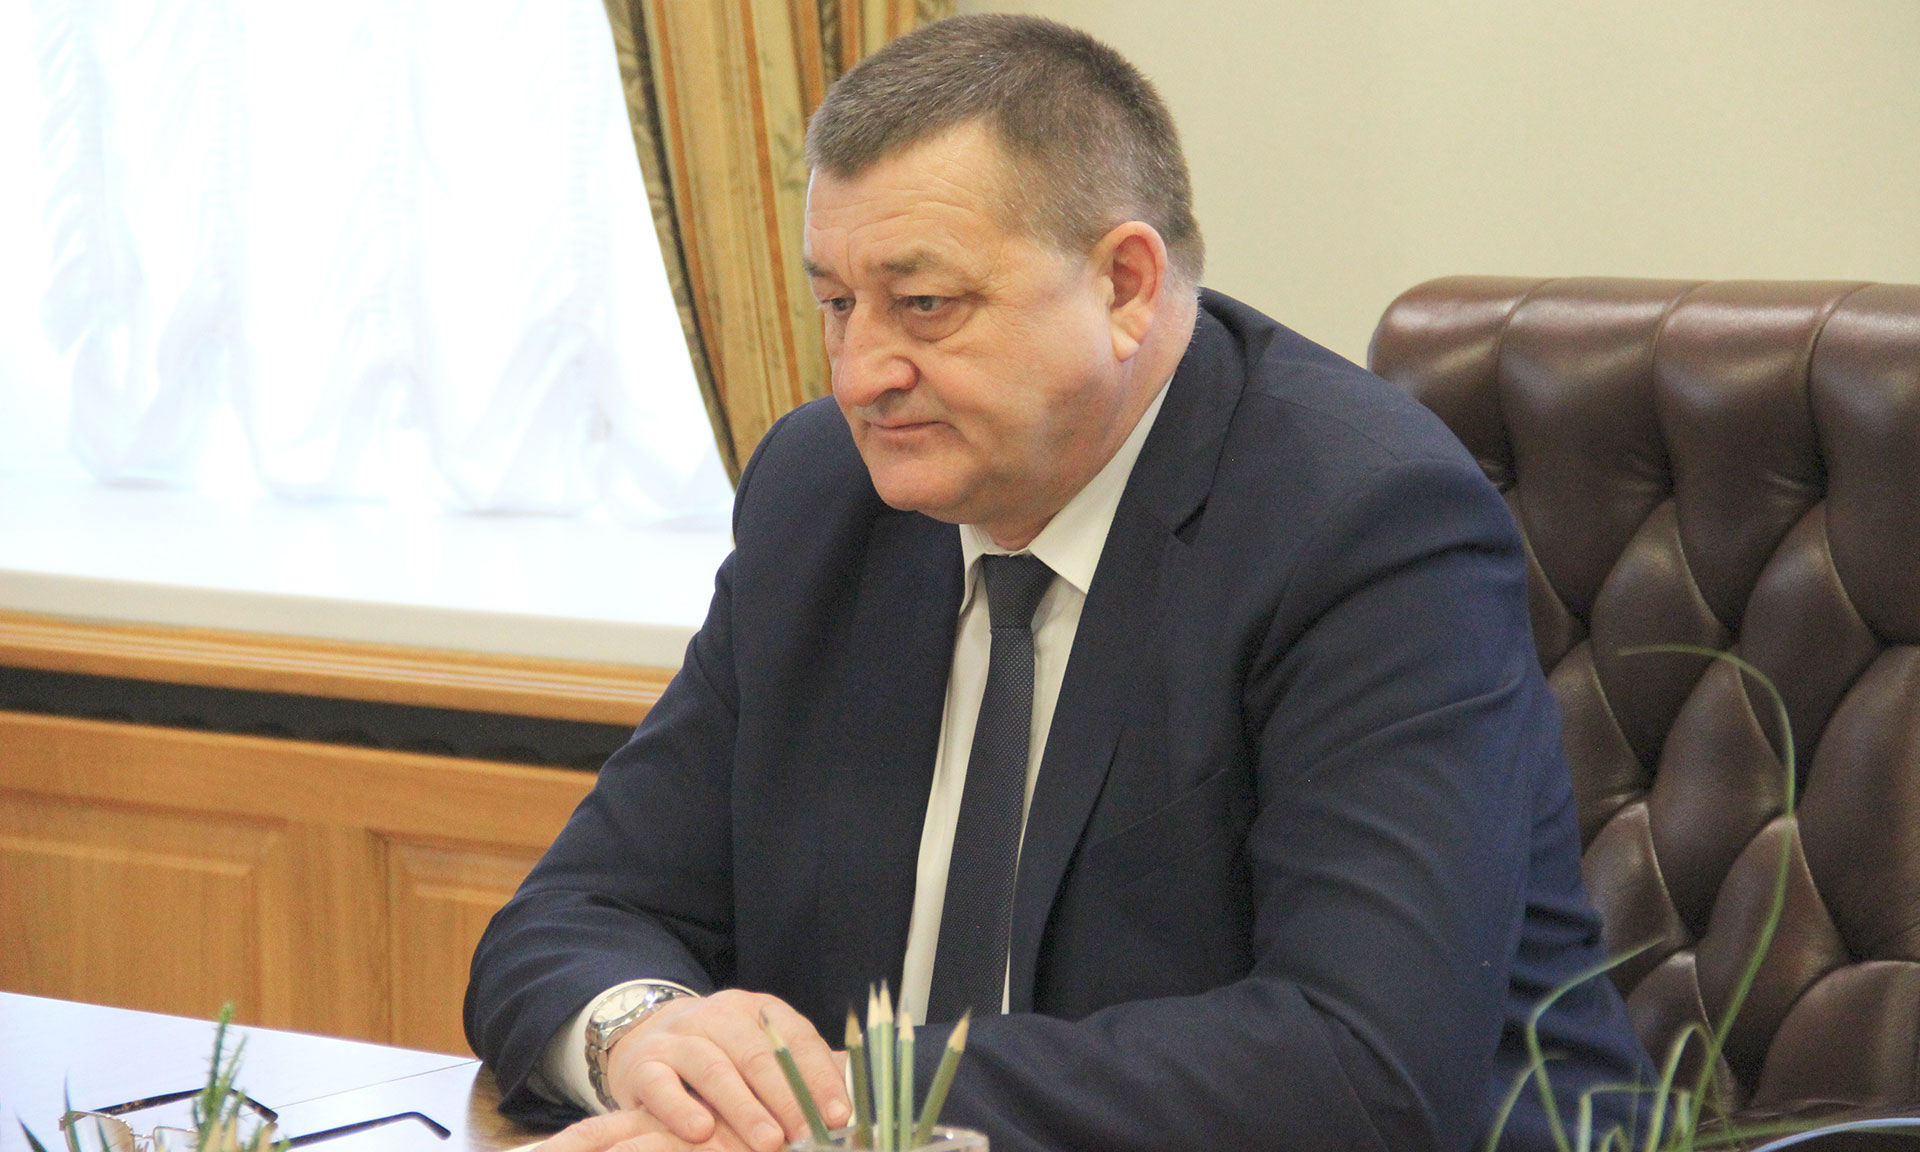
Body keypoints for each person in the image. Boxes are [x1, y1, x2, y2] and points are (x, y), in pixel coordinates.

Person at [465, 14, 1651, 1152]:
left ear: (1124, 286)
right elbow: (569, 919)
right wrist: (647, 1037)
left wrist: (842, 1108)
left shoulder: (1361, 528)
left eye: (924, 305)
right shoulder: (822, 497)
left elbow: (1356, 1067)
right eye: (837, 303)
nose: (861, 371)